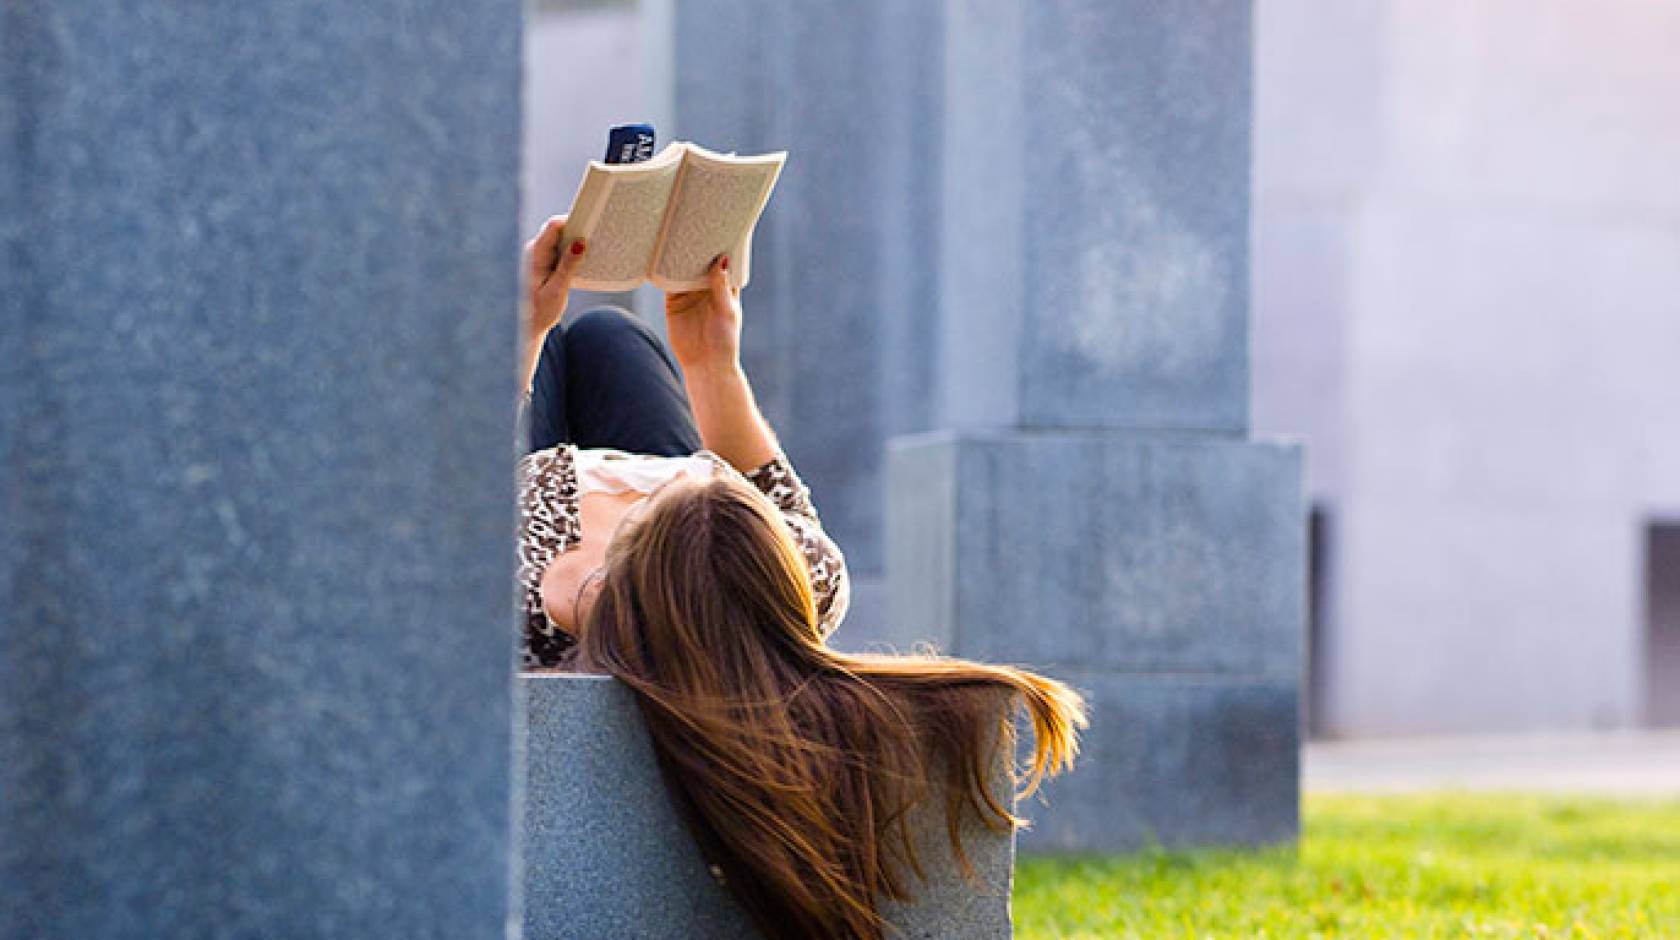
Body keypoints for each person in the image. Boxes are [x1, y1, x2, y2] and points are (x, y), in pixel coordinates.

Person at [518, 216, 1086, 939]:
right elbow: (770, 496)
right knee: (611, 339)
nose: (686, 466)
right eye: (702, 469)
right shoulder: (811, 571)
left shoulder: (528, 579)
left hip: (527, 479)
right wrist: (712, 363)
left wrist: (524, 336)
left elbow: (447, 513)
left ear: (605, 577)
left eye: (673, 481)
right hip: (673, 563)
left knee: (589, 339)